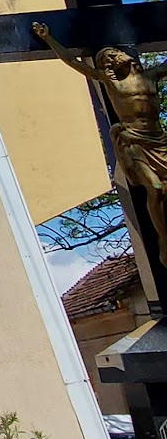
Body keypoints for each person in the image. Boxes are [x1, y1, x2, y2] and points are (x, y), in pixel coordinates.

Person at [33, 22, 167, 270]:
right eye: (111, 57)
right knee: (156, 187)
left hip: (159, 140)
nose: (117, 57)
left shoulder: (150, 77)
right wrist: (50, 39)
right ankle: (164, 240)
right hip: (134, 142)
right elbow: (75, 63)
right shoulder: (110, 81)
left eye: (116, 54)